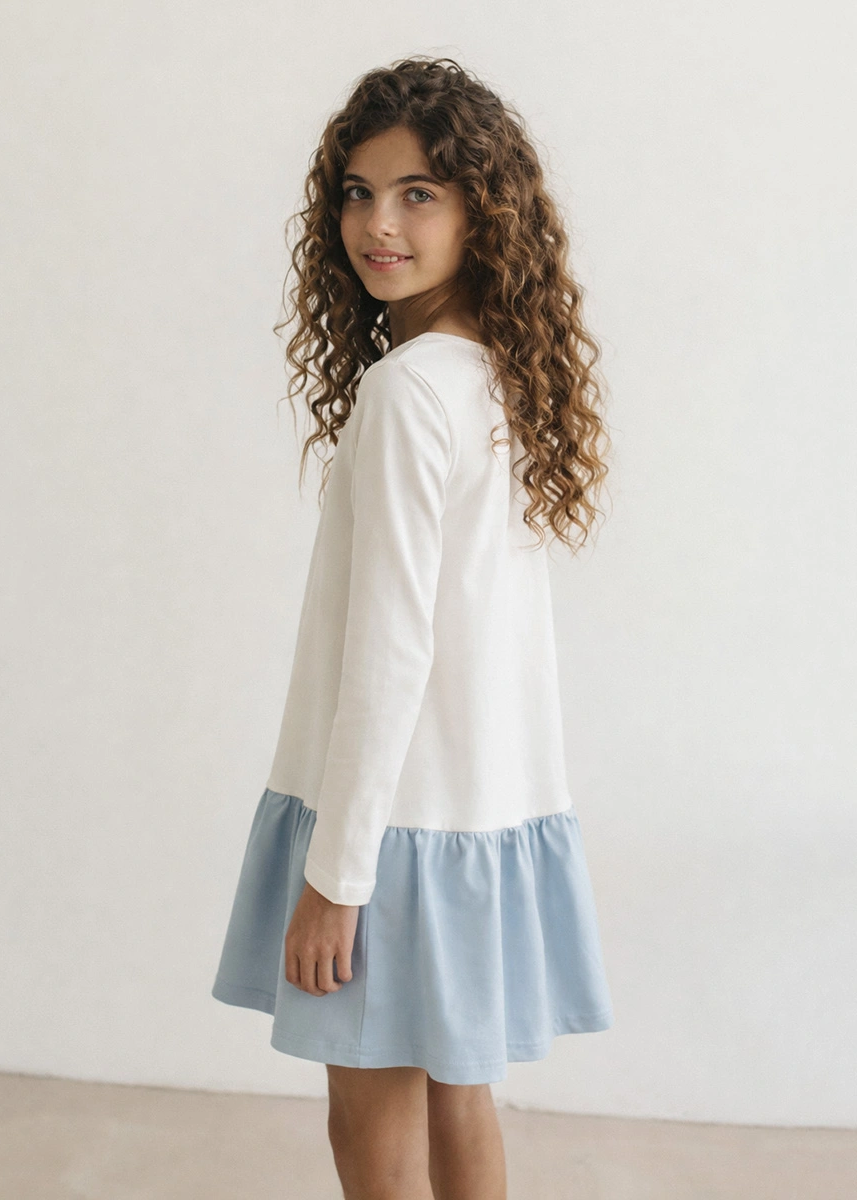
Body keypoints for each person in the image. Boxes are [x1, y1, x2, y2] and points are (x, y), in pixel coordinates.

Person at [211, 55, 615, 1200]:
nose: (376, 224)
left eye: (417, 194)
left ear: (483, 211)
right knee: (460, 1092)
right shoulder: (499, 378)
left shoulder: (405, 394)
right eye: (357, 192)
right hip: (477, 814)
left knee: (370, 1113)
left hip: (388, 830)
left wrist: (337, 877)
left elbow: (391, 651)